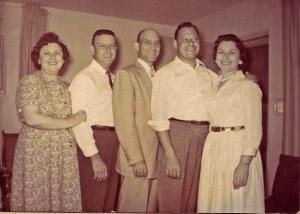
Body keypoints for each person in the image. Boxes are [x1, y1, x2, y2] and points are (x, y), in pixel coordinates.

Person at [148, 22, 220, 212]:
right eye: (185, 39)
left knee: (197, 198)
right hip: (176, 137)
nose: (190, 43)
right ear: (175, 44)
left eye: (195, 39)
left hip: (206, 138)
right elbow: (159, 118)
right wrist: (170, 155)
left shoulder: (211, 75)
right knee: (172, 197)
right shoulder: (165, 74)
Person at [10, 32, 86, 212]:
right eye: (46, 53)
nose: (53, 57)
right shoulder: (30, 82)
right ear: (38, 59)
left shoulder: (66, 86)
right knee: (39, 200)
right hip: (38, 153)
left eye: (57, 53)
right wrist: (71, 121)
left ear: (63, 59)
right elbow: (32, 118)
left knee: (63, 201)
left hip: (63, 155)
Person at [197, 34, 265, 213]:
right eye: (221, 52)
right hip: (213, 147)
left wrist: (244, 164)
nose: (225, 57)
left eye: (231, 53)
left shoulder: (248, 86)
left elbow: (254, 129)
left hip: (237, 151)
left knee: (234, 204)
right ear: (215, 57)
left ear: (240, 58)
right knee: (214, 202)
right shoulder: (212, 84)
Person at [69, 29, 119, 212]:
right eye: (102, 46)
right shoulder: (84, 78)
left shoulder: (113, 79)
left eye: (112, 46)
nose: (108, 50)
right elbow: (79, 121)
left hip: (114, 142)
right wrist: (94, 157)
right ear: (92, 49)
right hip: (95, 143)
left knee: (108, 201)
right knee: (93, 201)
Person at [112, 28, 160, 212]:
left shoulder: (161, 76)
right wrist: (136, 159)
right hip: (138, 161)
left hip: (156, 160)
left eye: (157, 43)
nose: (153, 47)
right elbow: (123, 121)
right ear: (137, 46)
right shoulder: (127, 74)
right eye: (147, 42)